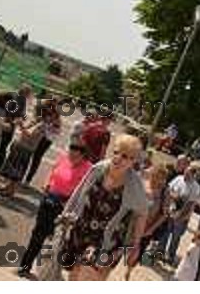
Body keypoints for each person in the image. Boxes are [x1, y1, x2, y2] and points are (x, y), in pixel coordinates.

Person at [39, 134, 147, 281]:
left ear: (133, 161)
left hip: (108, 239)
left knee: (90, 276)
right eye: (116, 152)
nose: (118, 158)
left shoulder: (135, 185)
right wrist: (64, 219)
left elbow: (141, 214)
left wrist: (135, 244)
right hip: (82, 230)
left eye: (125, 156)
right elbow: (79, 193)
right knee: (75, 274)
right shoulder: (99, 169)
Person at [18, 142, 92, 278]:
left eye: (75, 156)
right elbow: (53, 171)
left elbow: (86, 191)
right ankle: (24, 266)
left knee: (58, 242)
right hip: (49, 200)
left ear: (83, 156)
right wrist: (47, 183)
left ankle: (50, 272)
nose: (71, 158)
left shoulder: (88, 169)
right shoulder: (63, 158)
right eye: (70, 154)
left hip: (65, 207)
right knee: (37, 235)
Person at [0, 104, 55, 197]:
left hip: (25, 149)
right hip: (21, 146)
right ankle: (7, 186)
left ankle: (11, 191)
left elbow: (29, 135)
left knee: (16, 171)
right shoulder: (36, 122)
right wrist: (22, 125)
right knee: (12, 169)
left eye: (35, 111)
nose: (33, 113)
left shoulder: (41, 125)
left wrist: (20, 125)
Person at [158, 163, 200, 265]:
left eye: (188, 173)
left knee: (175, 237)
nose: (185, 175)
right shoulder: (178, 178)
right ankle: (160, 253)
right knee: (165, 233)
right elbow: (169, 189)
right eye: (185, 172)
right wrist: (172, 199)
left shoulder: (196, 187)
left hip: (182, 215)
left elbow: (190, 203)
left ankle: (170, 256)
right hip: (170, 210)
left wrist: (179, 215)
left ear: (193, 175)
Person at [0, 84, 33, 173]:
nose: (29, 96)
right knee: (2, 145)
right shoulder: (16, 99)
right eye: (28, 94)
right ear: (25, 93)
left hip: (9, 123)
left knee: (2, 145)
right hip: (8, 123)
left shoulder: (20, 99)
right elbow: (9, 113)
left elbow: (21, 112)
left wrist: (23, 116)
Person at [24, 99, 61, 185]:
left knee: (36, 157)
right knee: (31, 156)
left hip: (45, 139)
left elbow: (57, 130)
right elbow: (35, 120)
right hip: (39, 137)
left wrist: (51, 126)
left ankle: (28, 179)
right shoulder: (43, 111)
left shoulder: (56, 116)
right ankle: (25, 178)